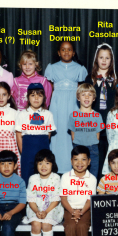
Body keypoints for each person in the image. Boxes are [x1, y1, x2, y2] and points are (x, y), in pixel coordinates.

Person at [45, 41, 88, 174]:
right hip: (57, 104)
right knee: (57, 134)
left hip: (73, 104)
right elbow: (49, 88)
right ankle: (56, 167)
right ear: (58, 52)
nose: (66, 52)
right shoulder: (52, 68)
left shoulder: (80, 68)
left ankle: (74, 167)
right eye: (63, 49)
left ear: (73, 52)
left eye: (69, 49)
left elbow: (81, 88)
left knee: (72, 133)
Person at [85, 43, 118, 179]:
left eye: (107, 58)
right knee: (95, 155)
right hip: (94, 123)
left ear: (111, 61)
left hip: (111, 122)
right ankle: (95, 184)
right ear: (96, 59)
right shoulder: (90, 79)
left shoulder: (117, 79)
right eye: (101, 57)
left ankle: (110, 184)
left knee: (110, 154)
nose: (104, 61)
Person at [60, 146, 97, 236]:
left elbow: (89, 200)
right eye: (76, 160)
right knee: (70, 226)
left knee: (82, 226)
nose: (79, 163)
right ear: (71, 161)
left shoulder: (91, 179)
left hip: (85, 209)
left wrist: (80, 212)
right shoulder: (66, 177)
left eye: (83, 160)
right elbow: (63, 198)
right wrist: (72, 212)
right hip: (69, 208)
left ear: (89, 162)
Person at [26, 149, 64, 236]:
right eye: (40, 163)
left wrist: (46, 211)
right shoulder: (33, 178)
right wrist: (37, 211)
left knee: (46, 224)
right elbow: (31, 199)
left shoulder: (56, 178)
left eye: (47, 163)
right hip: (35, 207)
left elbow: (56, 199)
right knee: (36, 224)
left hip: (52, 207)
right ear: (36, 165)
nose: (43, 166)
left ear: (52, 165)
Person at [15, 83, 56, 185]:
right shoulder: (22, 114)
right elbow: (19, 135)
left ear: (44, 98)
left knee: (43, 174)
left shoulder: (48, 114)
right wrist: (23, 152)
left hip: (42, 146)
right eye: (33, 95)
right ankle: (28, 199)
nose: (36, 98)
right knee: (27, 174)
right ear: (28, 97)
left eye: (40, 95)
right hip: (27, 148)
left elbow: (48, 134)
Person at [68, 83, 103, 178]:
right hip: (78, 147)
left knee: (93, 175)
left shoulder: (98, 116)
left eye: (90, 95)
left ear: (94, 98)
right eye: (83, 94)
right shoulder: (73, 115)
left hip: (93, 148)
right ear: (78, 98)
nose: (86, 97)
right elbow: (73, 134)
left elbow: (97, 135)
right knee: (78, 174)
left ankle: (91, 192)